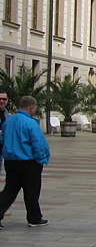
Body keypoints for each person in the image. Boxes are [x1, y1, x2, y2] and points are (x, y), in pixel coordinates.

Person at [0, 96, 50, 228]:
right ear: (32, 107)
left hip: (11, 161)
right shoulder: (30, 123)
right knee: (31, 191)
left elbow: (2, 140)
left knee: (9, 190)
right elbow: (38, 143)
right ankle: (34, 218)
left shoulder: (9, 121)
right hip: (28, 162)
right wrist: (42, 159)